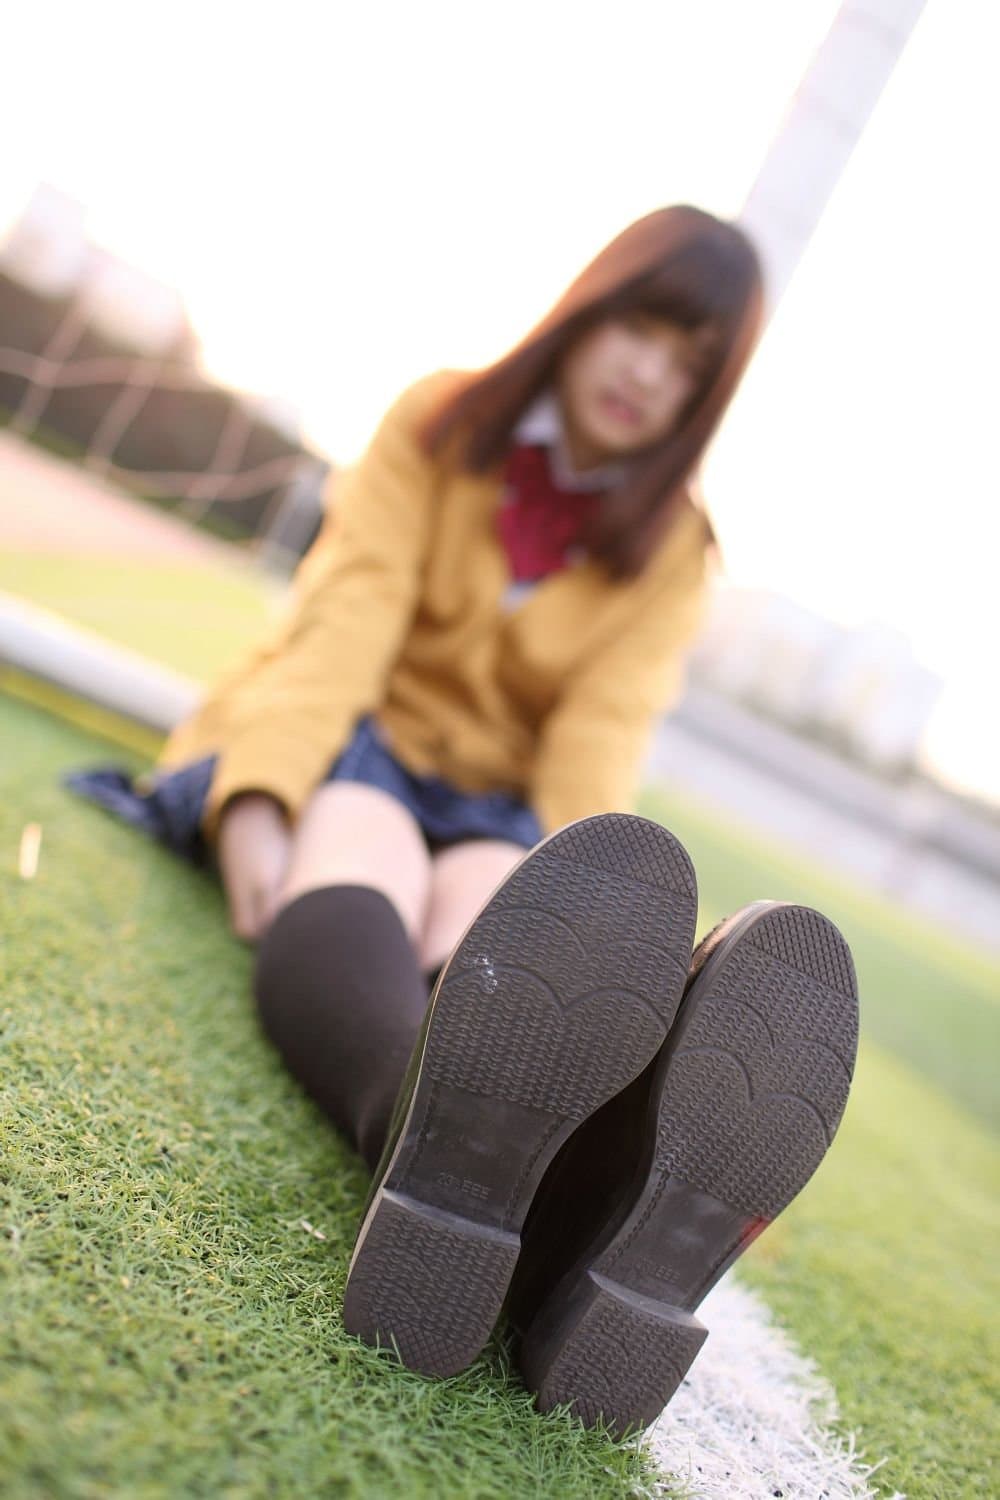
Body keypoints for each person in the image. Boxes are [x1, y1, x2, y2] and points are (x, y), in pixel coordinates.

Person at [69, 204, 858, 1437]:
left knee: (504, 917)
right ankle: (465, 1151)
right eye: (641, 328)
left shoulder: (673, 550)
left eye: (689, 365)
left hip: (496, 803)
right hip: (357, 738)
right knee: (361, 845)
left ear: (705, 399)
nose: (648, 376)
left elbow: (596, 741)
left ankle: (512, 1152)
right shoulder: (438, 422)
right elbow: (347, 625)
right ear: (589, 309)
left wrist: (609, 917)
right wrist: (261, 801)